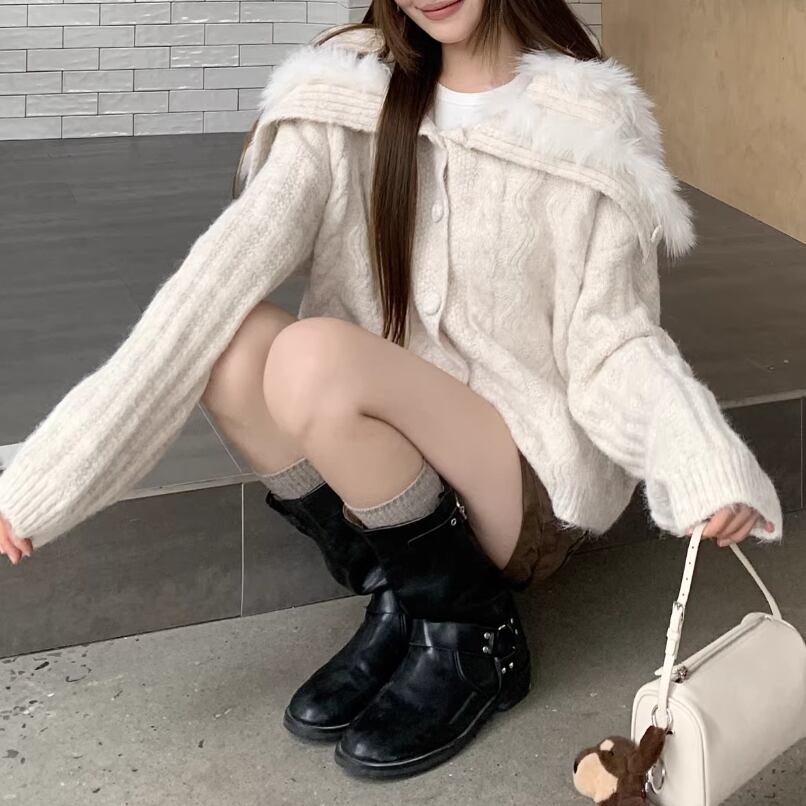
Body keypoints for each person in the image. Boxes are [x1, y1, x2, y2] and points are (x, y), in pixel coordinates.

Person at [0, 0, 782, 783]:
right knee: (231, 347)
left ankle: (472, 636)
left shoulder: (585, 125)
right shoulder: (347, 88)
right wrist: (46, 478)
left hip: (516, 478)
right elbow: (208, 287)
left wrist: (698, 457)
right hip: (386, 452)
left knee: (309, 358)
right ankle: (400, 596)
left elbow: (615, 342)